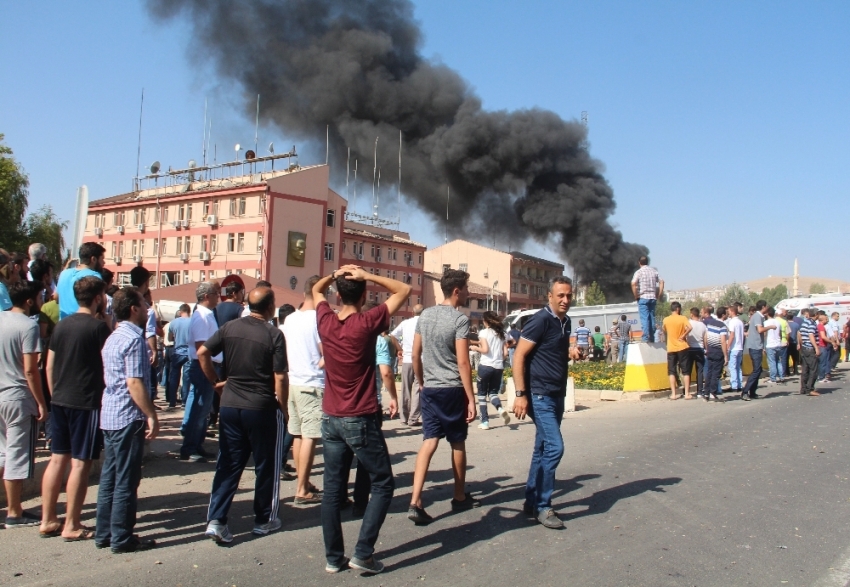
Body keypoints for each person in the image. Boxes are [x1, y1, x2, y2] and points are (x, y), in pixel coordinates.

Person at [314, 264, 410, 575]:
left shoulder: (326, 320)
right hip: (360, 415)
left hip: (330, 416)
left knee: (331, 490)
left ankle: (333, 557)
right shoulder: (367, 322)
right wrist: (365, 275)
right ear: (364, 293)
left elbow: (316, 291)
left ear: (337, 295)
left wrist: (336, 273)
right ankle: (363, 552)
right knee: (382, 483)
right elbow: (403, 291)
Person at [201, 286, 288, 543]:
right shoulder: (274, 334)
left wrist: (215, 382)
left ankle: (216, 520)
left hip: (230, 404)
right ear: (271, 307)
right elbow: (280, 377)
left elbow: (203, 352)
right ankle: (264, 519)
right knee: (266, 465)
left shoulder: (230, 328)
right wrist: (283, 407)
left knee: (228, 464)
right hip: (261, 406)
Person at [40, 276, 111, 540]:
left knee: (57, 458)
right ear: (97, 298)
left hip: (60, 398)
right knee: (81, 463)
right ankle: (72, 523)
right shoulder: (98, 328)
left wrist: (54, 392)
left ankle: (48, 519)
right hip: (86, 401)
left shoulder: (61, 325)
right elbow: (108, 363)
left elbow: (49, 365)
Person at [408, 269, 478, 526]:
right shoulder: (460, 320)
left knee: (429, 441)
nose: (469, 293)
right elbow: (462, 362)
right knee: (457, 442)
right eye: (467, 289)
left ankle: (415, 500)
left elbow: (416, 354)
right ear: (457, 290)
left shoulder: (425, 315)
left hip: (431, 390)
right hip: (452, 389)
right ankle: (459, 495)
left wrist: (422, 382)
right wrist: (471, 398)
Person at [511, 277, 580, 529]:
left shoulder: (566, 322)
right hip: (539, 395)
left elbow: (554, 352)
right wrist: (521, 394)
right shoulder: (539, 320)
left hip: (556, 393)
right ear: (549, 296)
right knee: (555, 447)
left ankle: (531, 501)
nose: (565, 300)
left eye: (569, 295)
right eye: (560, 295)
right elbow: (518, 356)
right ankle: (543, 505)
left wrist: (570, 352)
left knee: (542, 448)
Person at [95, 287, 159, 553]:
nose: (147, 309)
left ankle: (105, 532)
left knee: (110, 476)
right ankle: (121, 536)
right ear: (134, 308)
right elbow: (134, 383)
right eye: (144, 304)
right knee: (126, 479)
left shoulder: (114, 336)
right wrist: (151, 414)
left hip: (110, 414)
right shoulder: (133, 339)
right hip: (126, 415)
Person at [0, 281, 48, 527]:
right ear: (29, 301)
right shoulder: (28, 326)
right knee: (17, 455)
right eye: (40, 296)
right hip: (17, 396)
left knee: (1, 453)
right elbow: (30, 370)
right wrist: (41, 402)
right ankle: (14, 511)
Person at [281, 276, 325, 505]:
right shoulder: (320, 319)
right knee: (310, 435)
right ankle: (302, 490)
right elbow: (327, 353)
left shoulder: (290, 319)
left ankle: (303, 481)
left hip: (294, 381)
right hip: (313, 383)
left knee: (298, 434)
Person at [180, 282, 221, 462]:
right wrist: (211, 376)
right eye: (216, 293)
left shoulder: (207, 315)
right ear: (207, 296)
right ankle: (190, 448)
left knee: (202, 409)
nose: (218, 296)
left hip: (206, 365)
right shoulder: (202, 317)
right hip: (203, 366)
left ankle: (196, 444)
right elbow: (201, 349)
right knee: (199, 408)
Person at [470, 311, 512, 430]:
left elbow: (485, 349)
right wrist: (498, 358)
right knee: (493, 393)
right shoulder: (502, 333)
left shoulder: (484, 332)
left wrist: (475, 348)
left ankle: (485, 421)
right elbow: (505, 353)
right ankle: (500, 409)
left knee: (482, 394)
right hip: (498, 367)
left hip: (485, 366)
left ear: (486, 321)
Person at [390, 304, 424, 426]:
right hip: (421, 359)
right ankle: (413, 418)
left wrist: (400, 349)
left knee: (405, 388)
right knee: (417, 388)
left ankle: (404, 416)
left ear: (412, 312)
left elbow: (393, 335)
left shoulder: (406, 323)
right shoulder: (425, 323)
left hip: (407, 358)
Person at [56, 243, 105, 319]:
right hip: (84, 324)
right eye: (102, 259)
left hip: (63, 323)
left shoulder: (64, 273)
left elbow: (56, 297)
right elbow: (102, 303)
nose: (103, 263)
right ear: (93, 259)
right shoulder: (94, 276)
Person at [742, 300, 773, 401]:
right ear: (763, 307)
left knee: (758, 370)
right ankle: (745, 391)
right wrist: (770, 327)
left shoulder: (758, 316)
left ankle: (752, 392)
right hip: (755, 346)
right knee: (756, 370)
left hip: (757, 346)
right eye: (766, 306)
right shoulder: (757, 316)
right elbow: (760, 330)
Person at [662, 302, 693, 400]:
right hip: (682, 346)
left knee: (671, 371)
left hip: (671, 348)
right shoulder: (683, 318)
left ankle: (673, 394)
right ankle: (687, 394)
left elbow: (664, 331)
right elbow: (690, 327)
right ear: (678, 309)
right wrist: (683, 335)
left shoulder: (666, 320)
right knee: (685, 371)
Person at [630, 256, 664, 342]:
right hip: (653, 298)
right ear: (647, 262)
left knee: (644, 319)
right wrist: (658, 295)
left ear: (639, 263)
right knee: (652, 317)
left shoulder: (638, 272)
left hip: (643, 298)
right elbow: (662, 282)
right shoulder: (654, 271)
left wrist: (636, 295)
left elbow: (633, 283)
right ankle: (652, 336)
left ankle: (645, 338)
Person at [166, 305, 192, 408]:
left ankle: (172, 401)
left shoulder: (173, 322)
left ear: (180, 311)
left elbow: (170, 338)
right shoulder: (192, 322)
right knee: (186, 378)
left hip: (177, 351)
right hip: (188, 352)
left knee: (174, 377)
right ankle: (184, 401)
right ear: (189, 311)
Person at [703, 307, 729, 402]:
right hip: (718, 351)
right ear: (723, 315)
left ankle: (706, 392)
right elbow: (723, 341)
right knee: (716, 373)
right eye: (726, 313)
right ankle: (712, 393)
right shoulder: (722, 326)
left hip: (710, 350)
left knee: (709, 372)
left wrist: (707, 348)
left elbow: (705, 337)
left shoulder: (710, 324)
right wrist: (725, 355)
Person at [797, 308, 820, 396]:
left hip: (804, 348)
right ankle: (810, 388)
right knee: (814, 369)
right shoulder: (811, 323)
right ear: (816, 314)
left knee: (805, 369)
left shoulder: (805, 322)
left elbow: (799, 333)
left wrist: (801, 343)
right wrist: (816, 348)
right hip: (810, 349)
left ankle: (803, 388)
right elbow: (811, 336)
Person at [686, 308, 707, 398]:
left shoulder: (688, 323)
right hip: (700, 348)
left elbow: (685, 335)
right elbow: (705, 338)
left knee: (688, 370)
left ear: (691, 314)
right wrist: (706, 348)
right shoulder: (703, 325)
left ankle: (687, 391)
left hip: (690, 348)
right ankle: (699, 391)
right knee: (700, 370)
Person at [726, 305, 745, 394]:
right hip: (740, 347)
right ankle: (739, 385)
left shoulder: (732, 322)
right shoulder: (740, 322)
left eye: (729, 311)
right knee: (738, 367)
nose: (728, 313)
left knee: (732, 367)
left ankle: (734, 386)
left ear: (732, 311)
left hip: (734, 348)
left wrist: (727, 346)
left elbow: (732, 335)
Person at [764, 307, 783, 383]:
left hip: (770, 344)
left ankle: (773, 378)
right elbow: (780, 333)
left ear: (768, 313)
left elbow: (765, 335)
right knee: (778, 361)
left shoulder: (766, 323)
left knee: (772, 362)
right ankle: (781, 376)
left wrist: (763, 346)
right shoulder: (778, 322)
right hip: (778, 343)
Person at [816, 311, 832, 382]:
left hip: (820, 345)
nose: (827, 320)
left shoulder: (818, 326)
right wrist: (831, 342)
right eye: (826, 319)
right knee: (823, 362)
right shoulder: (821, 326)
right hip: (822, 345)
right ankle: (821, 377)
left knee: (820, 362)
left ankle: (820, 376)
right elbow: (823, 337)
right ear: (822, 320)